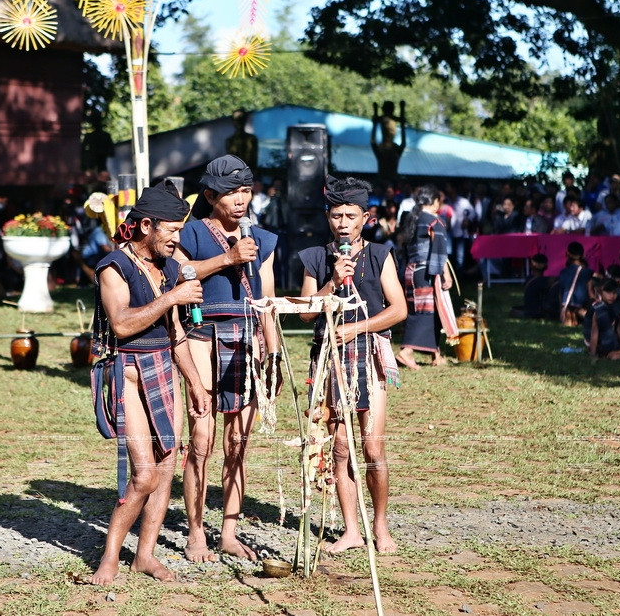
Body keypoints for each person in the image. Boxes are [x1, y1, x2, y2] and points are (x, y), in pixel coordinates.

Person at [89, 180, 210, 585]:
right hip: (126, 372)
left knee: (166, 466)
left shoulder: (171, 268)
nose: (178, 238)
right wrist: (171, 298)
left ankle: (145, 555)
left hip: (163, 371)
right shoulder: (114, 267)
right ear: (145, 227)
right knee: (144, 476)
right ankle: (109, 555)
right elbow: (122, 324)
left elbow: (176, 334)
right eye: (171, 230)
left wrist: (195, 383)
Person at [174, 154, 282, 562]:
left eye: (245, 191)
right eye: (231, 192)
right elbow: (179, 275)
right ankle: (196, 530)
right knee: (201, 440)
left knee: (238, 442)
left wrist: (271, 353)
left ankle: (229, 532)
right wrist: (227, 259)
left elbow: (267, 301)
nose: (240, 199)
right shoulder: (191, 234)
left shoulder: (263, 240)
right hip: (201, 335)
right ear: (210, 195)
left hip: (248, 338)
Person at [296, 175, 406, 554]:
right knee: (340, 448)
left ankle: (381, 526)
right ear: (328, 216)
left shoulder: (380, 254)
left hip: (369, 354)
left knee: (372, 447)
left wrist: (357, 327)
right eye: (336, 215)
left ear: (366, 217)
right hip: (329, 357)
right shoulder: (316, 258)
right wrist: (331, 282)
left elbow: (398, 309)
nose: (343, 222)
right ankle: (351, 530)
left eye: (350, 215)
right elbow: (307, 314)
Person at [396, 185, 455, 369]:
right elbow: (439, 250)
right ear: (435, 201)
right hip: (425, 271)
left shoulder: (411, 219)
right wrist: (445, 274)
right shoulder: (433, 220)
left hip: (411, 271)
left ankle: (436, 354)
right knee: (424, 313)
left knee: (429, 311)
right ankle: (406, 352)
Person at [583, 279, 620, 359]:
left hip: (609, 335)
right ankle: (608, 349)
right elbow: (594, 332)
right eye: (608, 292)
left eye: (614, 293)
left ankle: (615, 349)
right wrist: (593, 355)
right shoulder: (598, 308)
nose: (611, 296)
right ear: (601, 292)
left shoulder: (618, 305)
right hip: (593, 340)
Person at [557, 241, 593, 325]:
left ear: (567, 253)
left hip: (566, 305)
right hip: (582, 307)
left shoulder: (563, 272)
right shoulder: (588, 272)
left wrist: (561, 311)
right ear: (582, 255)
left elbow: (561, 293)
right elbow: (591, 293)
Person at [371, 100, 406, 186]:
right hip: (388, 178)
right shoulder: (390, 149)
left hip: (386, 178)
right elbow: (373, 142)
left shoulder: (385, 149)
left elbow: (372, 142)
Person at [225, 108, 259, 175]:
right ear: (233, 121)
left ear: (245, 120)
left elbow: (254, 160)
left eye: (241, 119)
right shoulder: (230, 141)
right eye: (236, 119)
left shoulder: (252, 139)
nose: (239, 122)